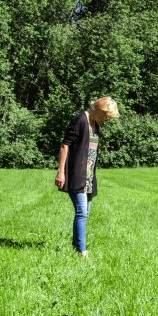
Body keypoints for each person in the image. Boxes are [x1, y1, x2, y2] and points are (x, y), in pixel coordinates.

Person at [55, 97, 120, 257]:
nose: (106, 120)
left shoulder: (95, 124)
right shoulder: (80, 120)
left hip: (89, 175)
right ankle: (81, 250)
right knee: (82, 211)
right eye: (106, 116)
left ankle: (76, 244)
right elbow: (65, 145)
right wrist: (61, 172)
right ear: (99, 109)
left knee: (86, 210)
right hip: (77, 173)